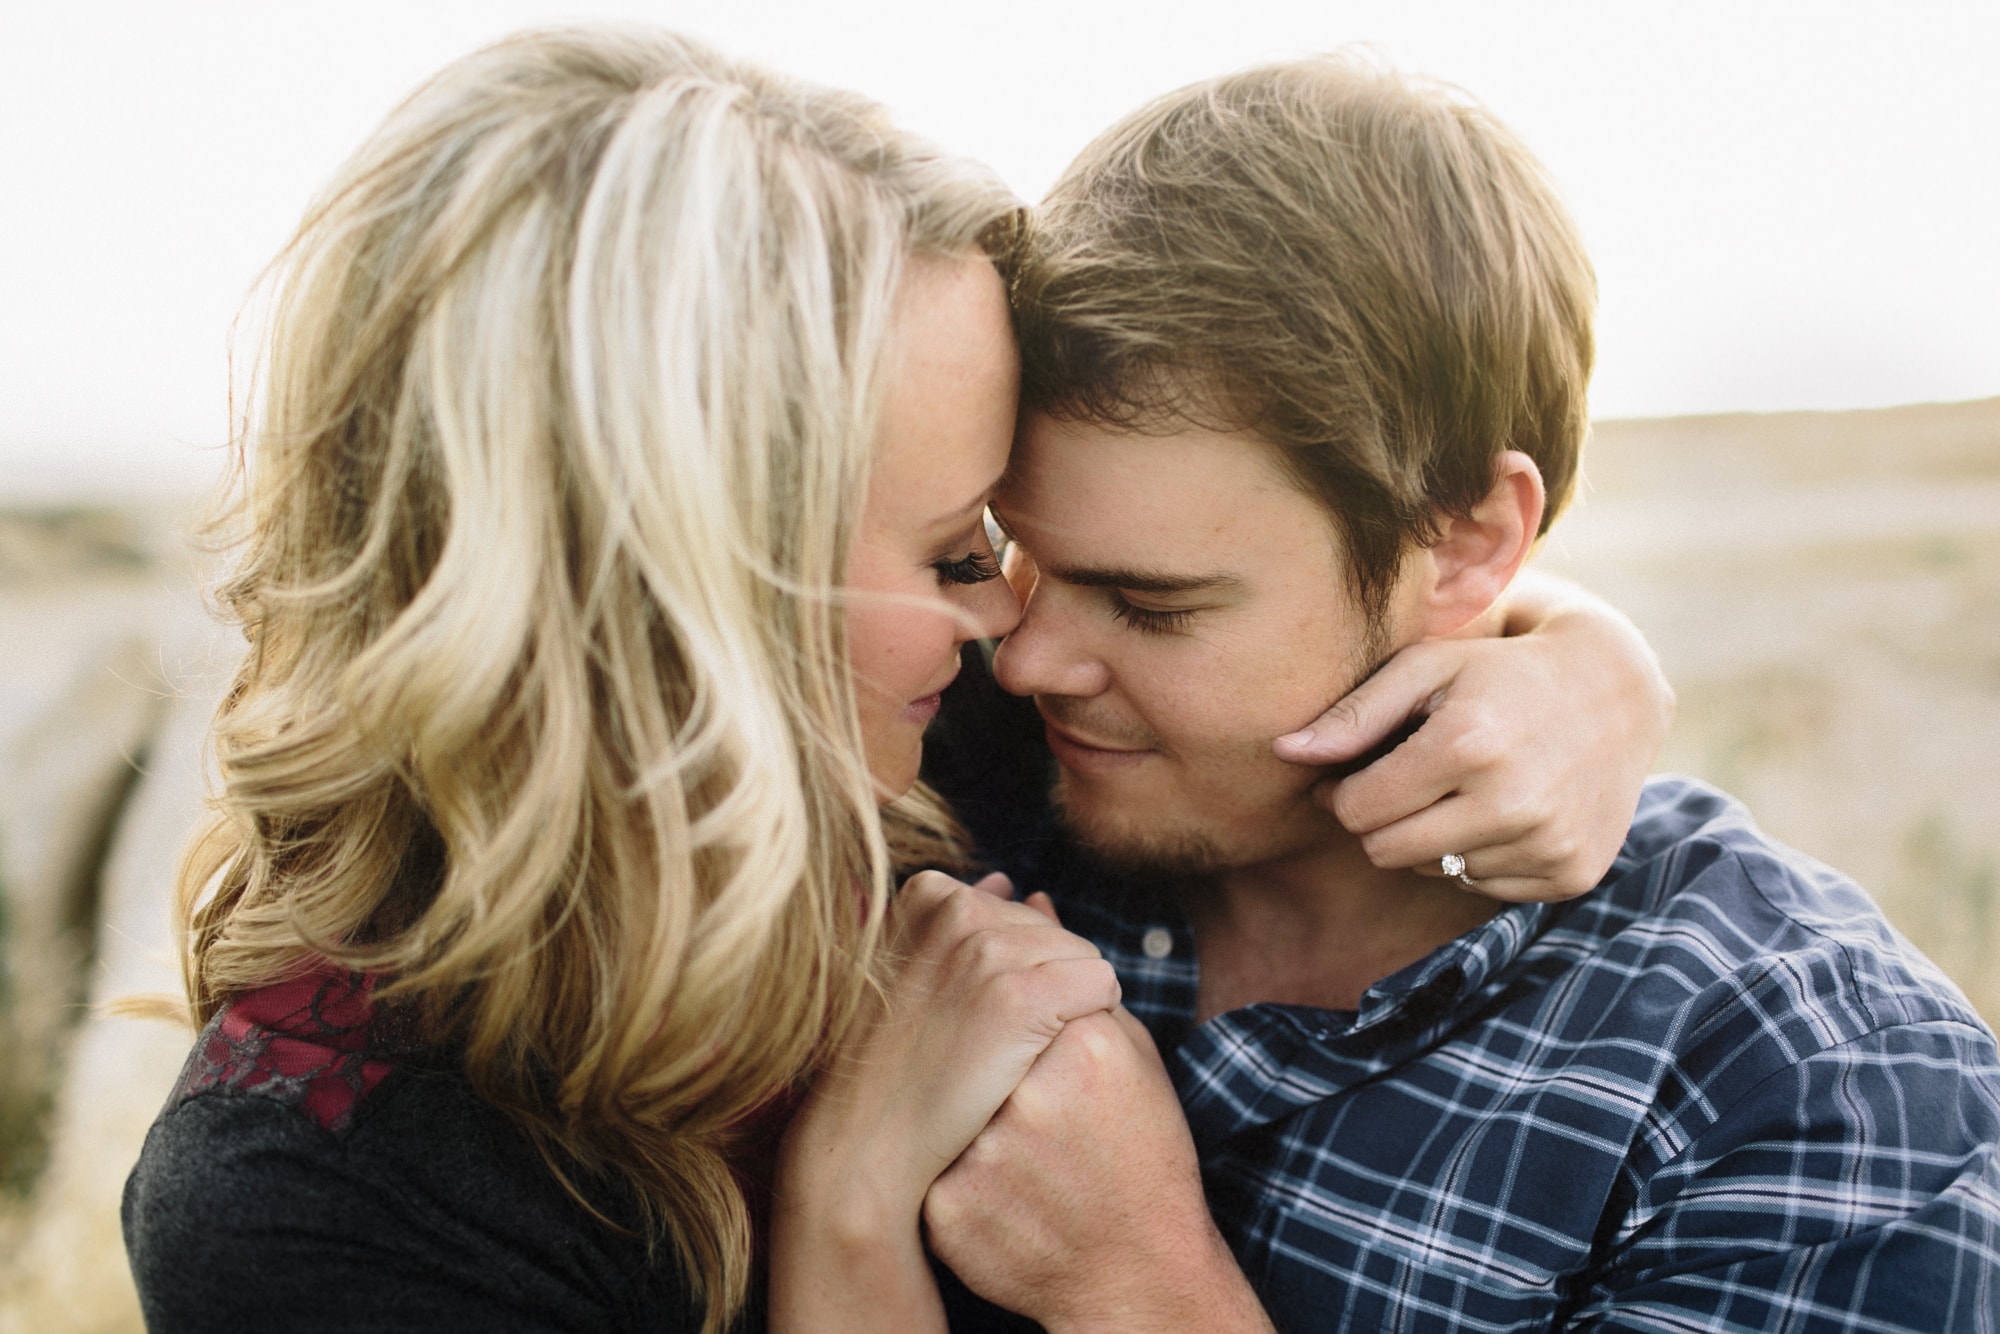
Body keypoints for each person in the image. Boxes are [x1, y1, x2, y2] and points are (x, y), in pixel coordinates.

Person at [120, 27, 1671, 1334]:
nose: (1022, 631)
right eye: (954, 552)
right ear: (676, 597)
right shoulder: (319, 1197)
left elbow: (1293, 572)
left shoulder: (934, 738)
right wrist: (852, 1213)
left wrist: (1585, 672)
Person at [907, 56, 2000, 1333]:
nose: (1026, 658)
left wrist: (1140, 1287)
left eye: (1153, 604)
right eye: (1009, 553)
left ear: (1471, 542)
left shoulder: (1806, 1079)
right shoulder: (948, 786)